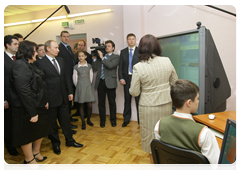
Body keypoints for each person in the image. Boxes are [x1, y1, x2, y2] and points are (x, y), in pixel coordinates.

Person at [129, 34, 178, 169]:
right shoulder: (167, 61)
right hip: (166, 104)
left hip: (148, 107)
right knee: (165, 137)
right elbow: (175, 82)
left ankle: (154, 167)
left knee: (151, 140)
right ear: (157, 46)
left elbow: (134, 92)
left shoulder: (138, 67)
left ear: (141, 48)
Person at [154, 79, 220, 170]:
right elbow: (216, 167)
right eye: (197, 98)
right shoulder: (204, 133)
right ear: (189, 103)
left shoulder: (159, 124)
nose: (198, 101)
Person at [34, 40, 83, 155]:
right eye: (55, 48)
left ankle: (70, 140)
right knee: (52, 123)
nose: (58, 50)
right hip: (50, 99)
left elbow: (66, 77)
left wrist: (70, 91)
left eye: (57, 48)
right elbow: (41, 84)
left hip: (63, 97)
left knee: (66, 121)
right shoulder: (40, 63)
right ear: (48, 49)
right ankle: (56, 144)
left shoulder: (61, 60)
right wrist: (44, 100)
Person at [9, 40, 52, 170]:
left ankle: (36, 152)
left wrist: (44, 101)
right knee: (26, 134)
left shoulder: (29, 64)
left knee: (39, 130)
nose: (36, 54)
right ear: (27, 51)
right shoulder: (19, 65)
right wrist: (32, 112)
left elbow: (39, 86)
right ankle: (29, 159)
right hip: (25, 108)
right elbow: (24, 91)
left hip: (38, 105)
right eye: (34, 51)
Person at [92, 40, 120, 128]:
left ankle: (113, 120)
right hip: (100, 82)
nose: (106, 47)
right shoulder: (101, 57)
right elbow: (95, 68)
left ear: (113, 48)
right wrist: (95, 59)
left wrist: (102, 57)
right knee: (101, 103)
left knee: (112, 102)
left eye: (108, 46)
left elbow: (111, 66)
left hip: (110, 82)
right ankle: (102, 121)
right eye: (106, 46)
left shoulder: (116, 57)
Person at [118, 33, 140, 127]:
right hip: (126, 79)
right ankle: (126, 119)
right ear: (127, 41)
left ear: (135, 40)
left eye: (133, 39)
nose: (131, 41)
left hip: (137, 79)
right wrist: (121, 78)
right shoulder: (123, 52)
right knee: (127, 100)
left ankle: (140, 121)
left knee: (138, 101)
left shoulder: (140, 51)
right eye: (129, 39)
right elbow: (120, 66)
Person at [57, 30, 78, 123]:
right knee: (66, 100)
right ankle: (66, 121)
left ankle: (69, 117)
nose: (66, 38)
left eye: (68, 36)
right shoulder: (59, 48)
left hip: (71, 76)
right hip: (65, 77)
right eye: (64, 36)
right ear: (61, 37)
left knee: (70, 99)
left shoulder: (69, 47)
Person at [4, 35, 19, 156]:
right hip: (7, 97)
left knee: (17, 121)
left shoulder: (18, 57)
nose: (17, 46)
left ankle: (17, 141)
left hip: (18, 97)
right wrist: (3, 99)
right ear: (8, 45)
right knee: (8, 123)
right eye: (15, 44)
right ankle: (9, 145)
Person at [73, 51, 95, 130]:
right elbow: (75, 79)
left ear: (85, 56)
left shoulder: (89, 66)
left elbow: (91, 78)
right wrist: (79, 86)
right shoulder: (76, 67)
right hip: (80, 87)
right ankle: (83, 122)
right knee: (81, 105)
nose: (81, 57)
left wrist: (87, 84)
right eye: (79, 56)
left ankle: (88, 119)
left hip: (88, 87)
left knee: (89, 105)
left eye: (82, 56)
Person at [72, 39, 93, 117]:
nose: (80, 46)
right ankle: (79, 113)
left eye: (82, 45)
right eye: (79, 45)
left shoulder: (89, 56)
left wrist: (87, 83)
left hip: (87, 84)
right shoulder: (74, 55)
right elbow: (74, 76)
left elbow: (90, 76)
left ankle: (87, 116)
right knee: (80, 102)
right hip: (79, 84)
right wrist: (78, 84)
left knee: (88, 103)